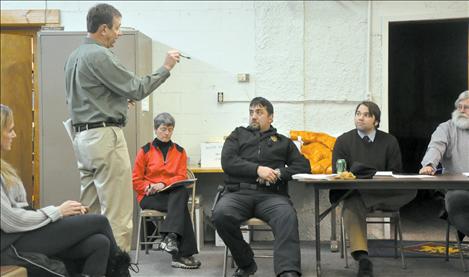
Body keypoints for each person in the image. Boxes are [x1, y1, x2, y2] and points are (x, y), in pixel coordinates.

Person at [64, 3, 180, 251]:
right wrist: (166, 67)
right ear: (103, 29)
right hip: (104, 138)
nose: (119, 33)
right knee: (118, 213)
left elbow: (87, 97)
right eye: (116, 28)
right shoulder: (99, 55)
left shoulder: (74, 56)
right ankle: (117, 268)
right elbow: (138, 88)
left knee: (89, 211)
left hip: (83, 139)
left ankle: (88, 264)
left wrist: (115, 102)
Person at [0, 104, 132, 277]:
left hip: (23, 234)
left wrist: (58, 213)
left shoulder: (5, 168)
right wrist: (58, 212)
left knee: (100, 242)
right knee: (99, 221)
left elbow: (21, 211)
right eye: (10, 130)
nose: (14, 135)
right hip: (11, 241)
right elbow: (10, 222)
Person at [212, 97, 310, 277]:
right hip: (238, 193)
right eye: (251, 112)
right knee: (220, 215)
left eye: (259, 112)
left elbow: (303, 166)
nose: (253, 116)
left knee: (287, 216)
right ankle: (246, 262)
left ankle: (288, 271)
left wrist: (279, 173)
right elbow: (228, 162)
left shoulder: (283, 142)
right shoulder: (237, 135)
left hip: (272, 196)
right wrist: (258, 170)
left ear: (271, 117)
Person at [331, 101, 417, 277]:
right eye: (358, 113)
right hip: (355, 193)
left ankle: (370, 200)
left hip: (382, 192)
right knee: (351, 205)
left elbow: (395, 173)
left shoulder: (389, 141)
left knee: (412, 189)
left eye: (366, 114)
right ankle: (363, 259)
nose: (360, 117)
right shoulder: (343, 141)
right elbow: (338, 173)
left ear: (376, 121)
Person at [132, 112, 201, 269]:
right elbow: (136, 181)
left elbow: (181, 176)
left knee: (181, 193)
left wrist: (163, 183)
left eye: (170, 129)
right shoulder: (145, 151)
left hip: (170, 193)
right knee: (180, 204)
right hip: (149, 197)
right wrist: (148, 187)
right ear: (156, 129)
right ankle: (181, 254)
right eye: (163, 129)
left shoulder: (180, 151)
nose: (167, 133)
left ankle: (170, 238)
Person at [419, 90, 469, 236]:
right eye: (459, 107)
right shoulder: (446, 128)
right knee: (455, 199)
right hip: (456, 188)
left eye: (466, 108)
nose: (461, 111)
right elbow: (436, 146)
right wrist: (429, 164)